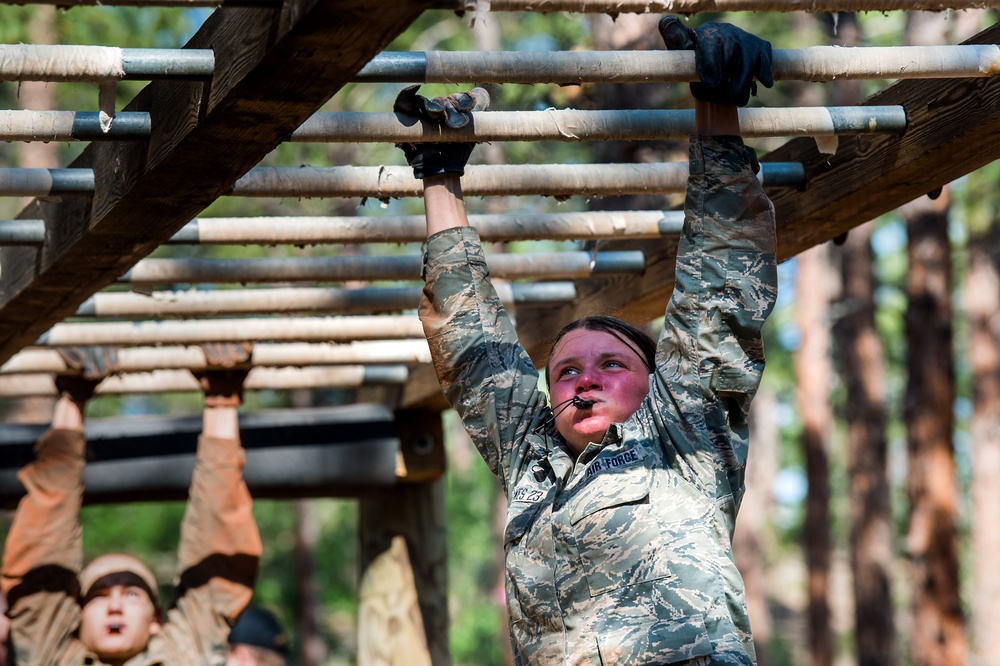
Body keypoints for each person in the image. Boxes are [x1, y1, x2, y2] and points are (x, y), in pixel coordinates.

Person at [399, 16, 777, 666]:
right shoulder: (531, 464)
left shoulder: (683, 440)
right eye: (565, 371)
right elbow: (471, 345)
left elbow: (718, 293)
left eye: (611, 363)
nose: (584, 378)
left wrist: (717, 103)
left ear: (656, 384)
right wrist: (440, 175)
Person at [1, 346, 262, 665]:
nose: (114, 606)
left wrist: (221, 399)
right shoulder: (50, 656)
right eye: (98, 596)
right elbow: (42, 559)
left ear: (156, 620)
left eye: (132, 594)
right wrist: (73, 399)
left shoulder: (184, 654)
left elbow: (216, 566)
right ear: (78, 617)